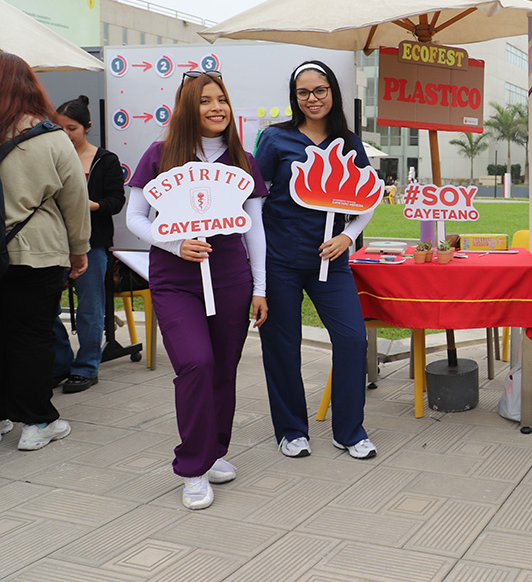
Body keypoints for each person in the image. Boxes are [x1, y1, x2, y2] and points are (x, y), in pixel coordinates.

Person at [126, 70, 268, 510]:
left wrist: (260, 287)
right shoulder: (160, 154)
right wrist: (174, 242)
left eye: (221, 99)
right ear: (189, 107)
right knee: (196, 363)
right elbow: (135, 217)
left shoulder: (242, 160)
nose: (216, 107)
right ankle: (192, 467)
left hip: (229, 278)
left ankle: (215, 451)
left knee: (223, 369)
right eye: (206, 100)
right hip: (174, 280)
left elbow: (256, 230)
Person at [255, 60, 377, 460]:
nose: (312, 99)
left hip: (331, 260)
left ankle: (349, 430)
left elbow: (367, 199)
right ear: (294, 97)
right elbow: (255, 200)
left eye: (319, 90)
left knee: (352, 339)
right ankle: (291, 430)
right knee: (282, 345)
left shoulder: (350, 144)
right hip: (280, 259)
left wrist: (347, 236)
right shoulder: (275, 139)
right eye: (303, 92)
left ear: (333, 92)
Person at [0, 53, 91, 451]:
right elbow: (75, 200)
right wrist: (80, 251)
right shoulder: (52, 137)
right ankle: (38, 422)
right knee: (33, 337)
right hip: (39, 251)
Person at [50, 95, 126, 393]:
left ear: (87, 127)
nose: (66, 135)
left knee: (90, 309)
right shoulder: (51, 156)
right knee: (46, 309)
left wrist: (91, 205)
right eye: (60, 128)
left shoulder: (105, 160)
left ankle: (86, 367)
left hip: (92, 243)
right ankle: (61, 362)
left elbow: (116, 201)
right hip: (54, 242)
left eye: (72, 128)